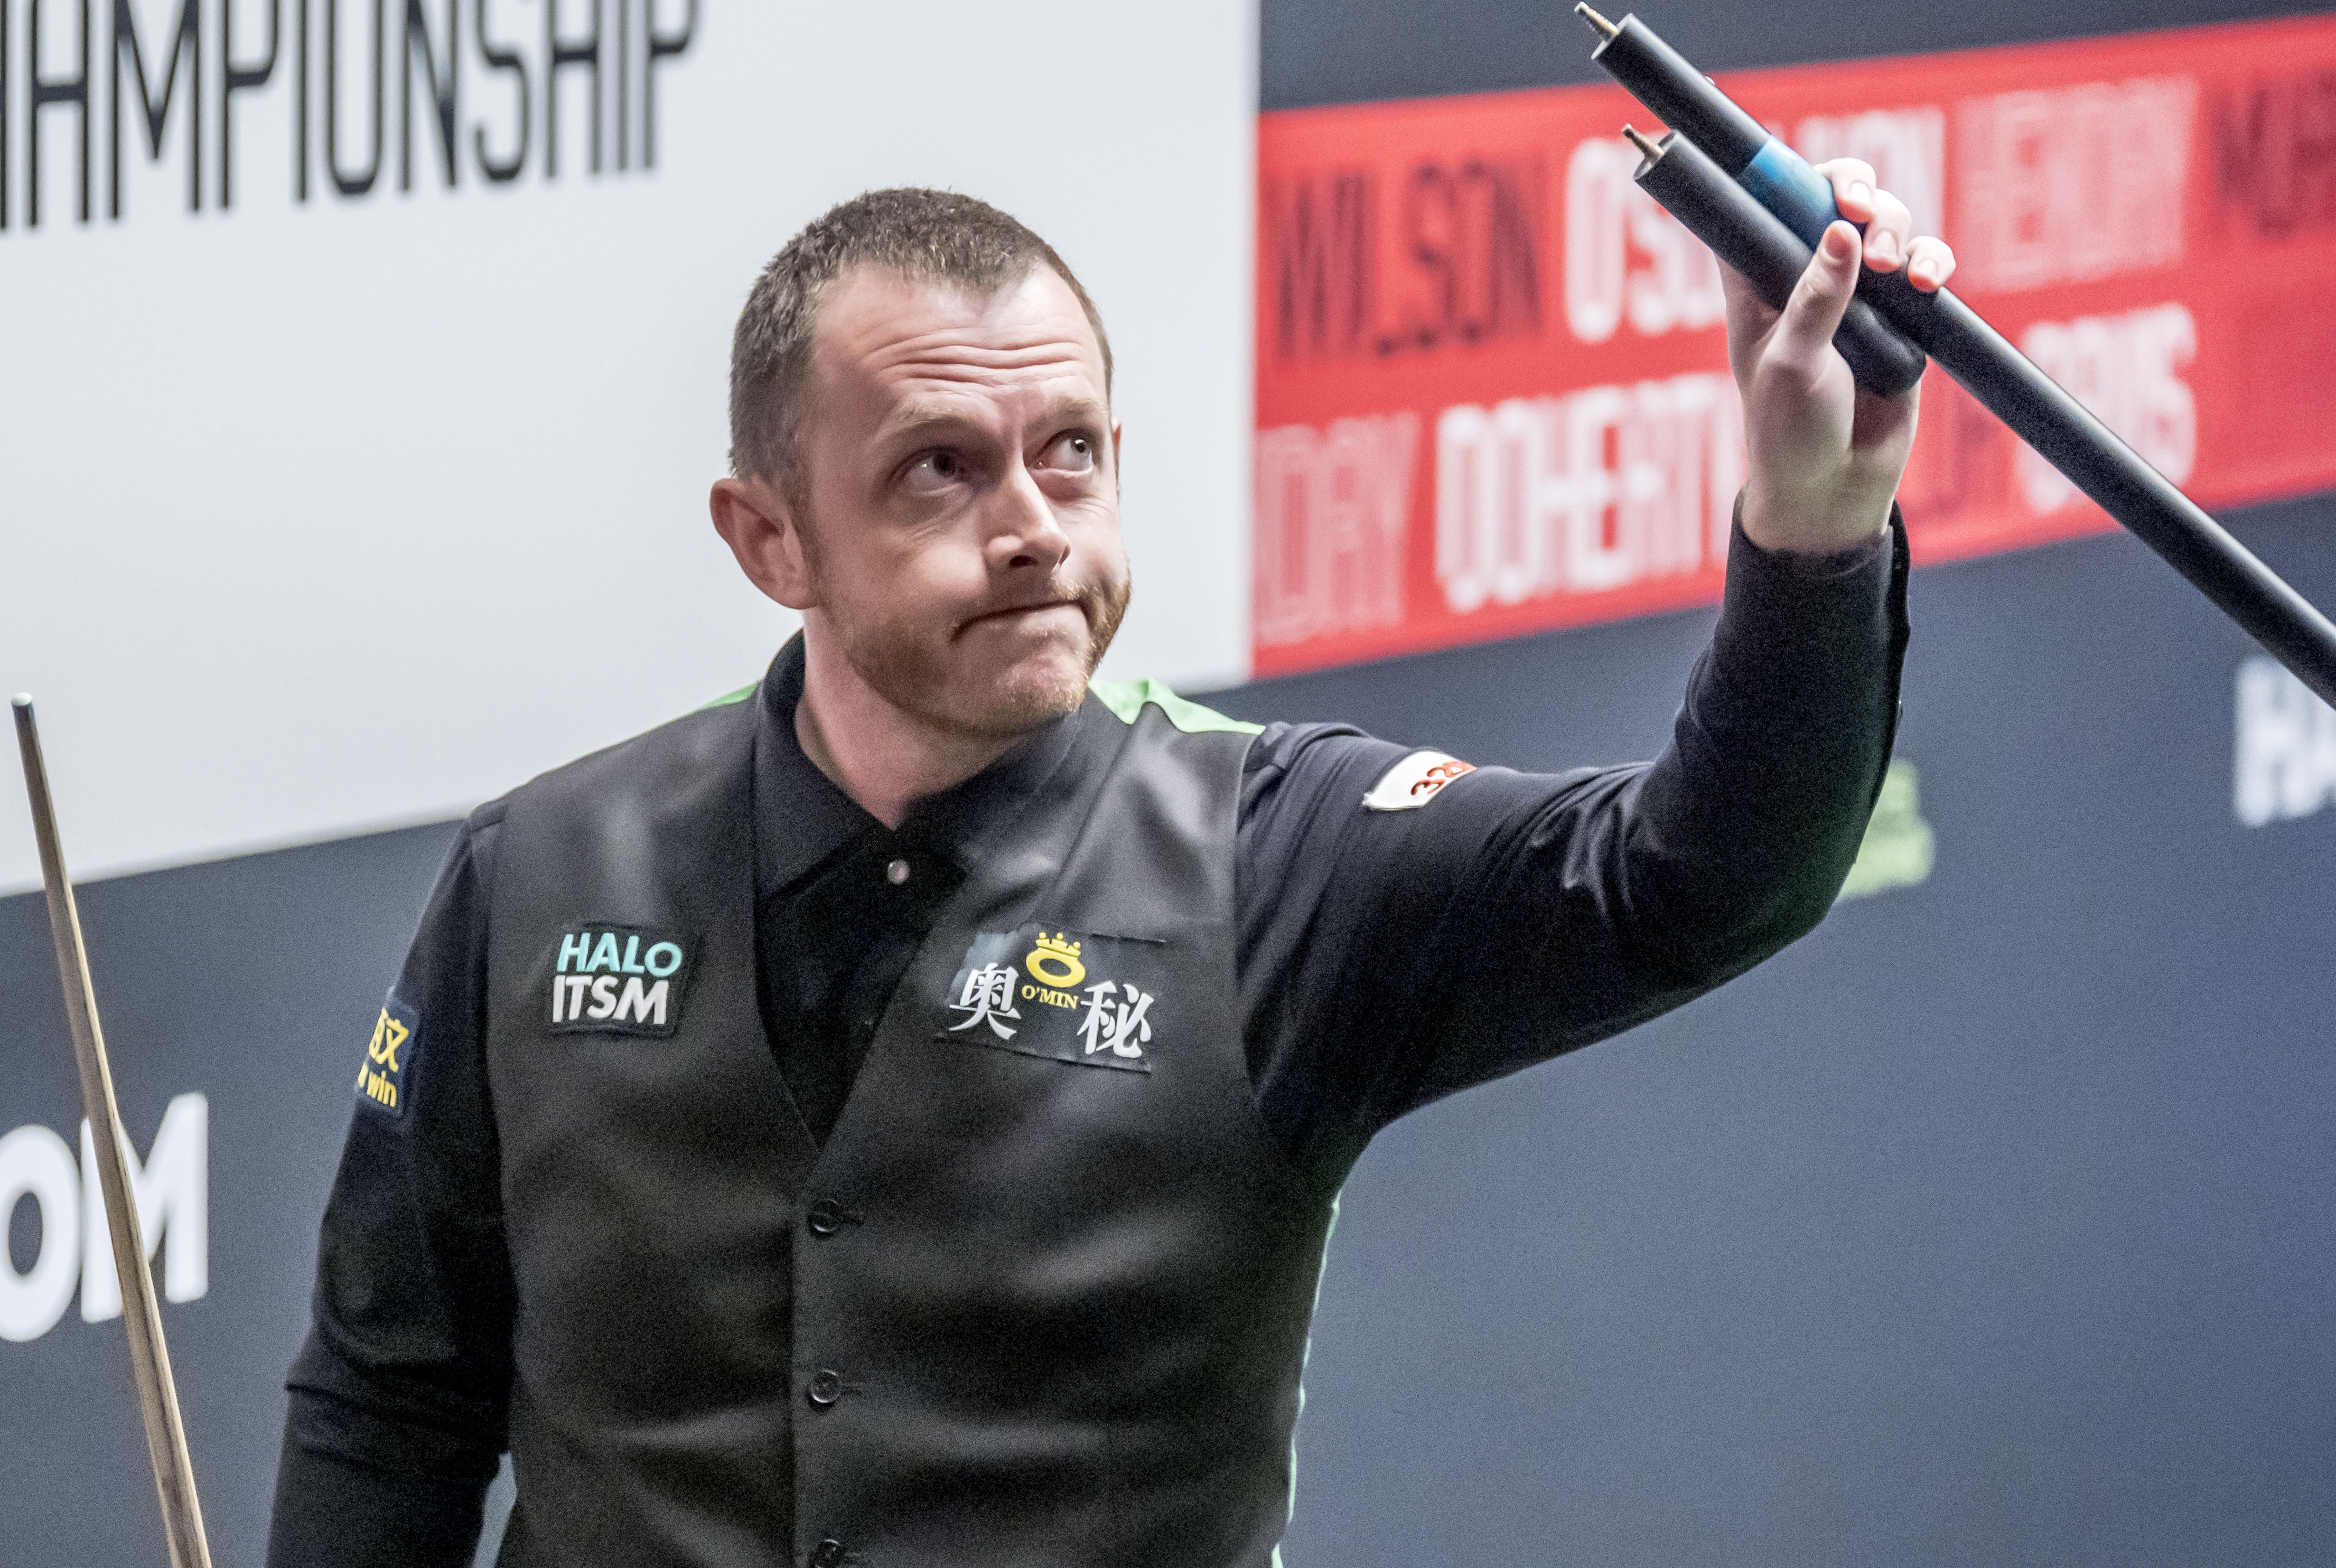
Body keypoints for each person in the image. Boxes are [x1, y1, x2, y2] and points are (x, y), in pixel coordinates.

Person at [268, 181, 1956, 1567]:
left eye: (1070, 453)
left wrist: (1815, 523)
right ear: (766, 537)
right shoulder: (543, 867)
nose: (1036, 528)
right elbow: (390, 1398)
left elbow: (1706, 874)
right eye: (943, 467)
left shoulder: (1277, 858)